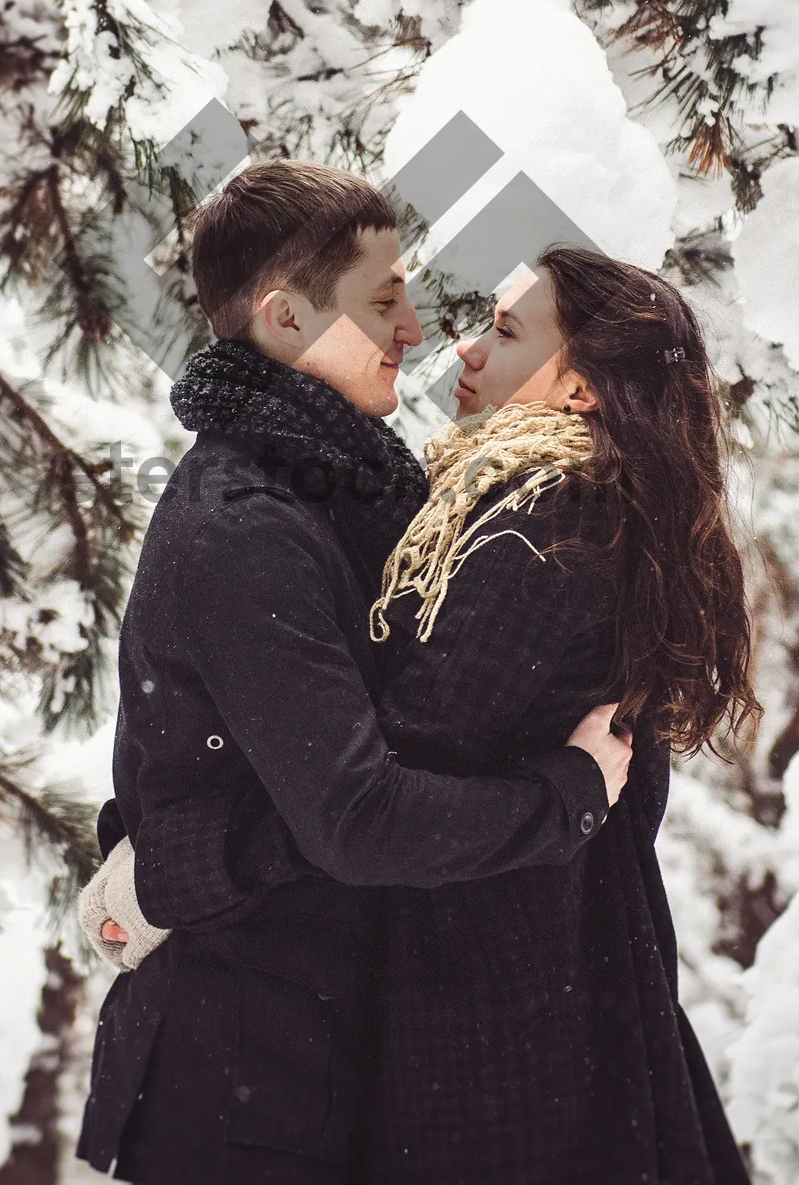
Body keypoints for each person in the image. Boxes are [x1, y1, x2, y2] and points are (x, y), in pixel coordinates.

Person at [100, 240, 759, 1184]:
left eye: (505, 333)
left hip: (496, 1024)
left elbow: (368, 804)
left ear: (579, 389)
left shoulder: (547, 529)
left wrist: (164, 876)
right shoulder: (523, 509)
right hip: (533, 988)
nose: (462, 354)